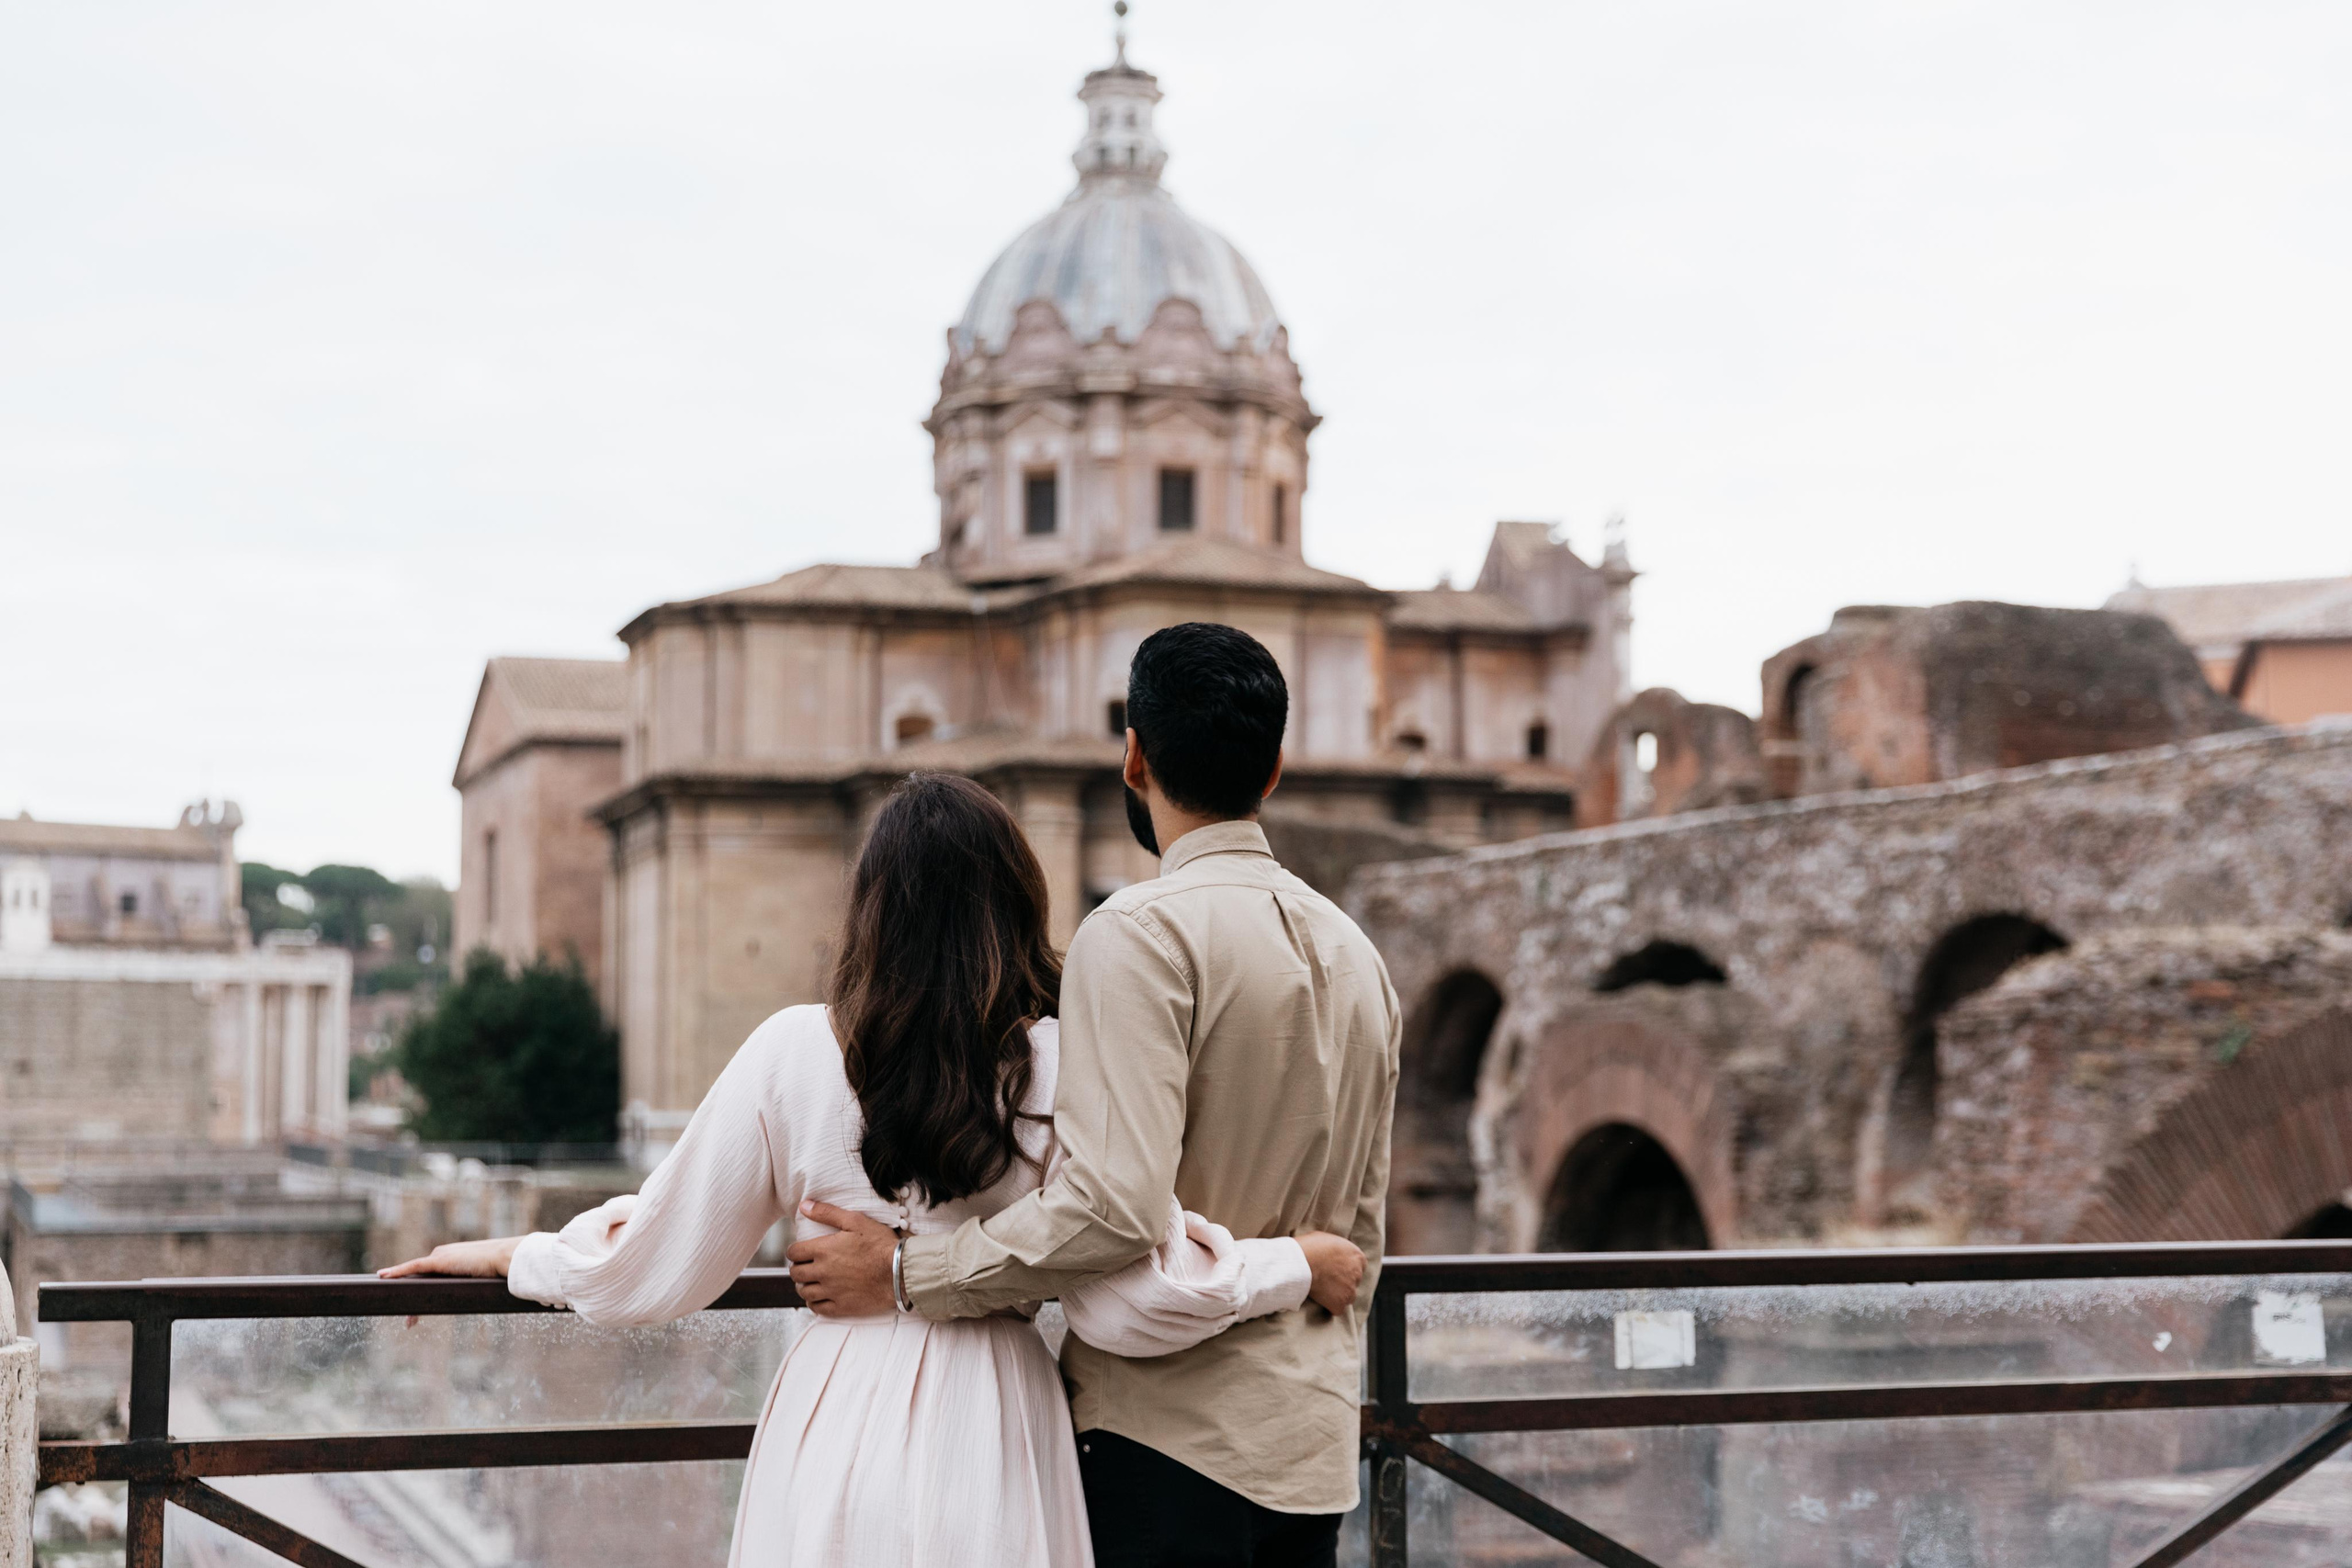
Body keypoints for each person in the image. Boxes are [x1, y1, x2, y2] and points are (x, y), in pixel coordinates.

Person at [379, 772, 1367, 1567]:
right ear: (1018, 902)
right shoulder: (1062, 1061)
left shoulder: (788, 1051)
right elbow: (1133, 1299)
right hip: (999, 1428)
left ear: (869, 907)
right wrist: (1297, 1261)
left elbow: (651, 1261)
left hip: (834, 1408)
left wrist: (513, 1254)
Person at [791, 622, 1403, 1568]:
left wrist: (915, 1275)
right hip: (1311, 1452)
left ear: (1133, 755)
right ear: (1274, 769)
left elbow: (1110, 1209)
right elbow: (1361, 1235)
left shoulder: (1138, 934)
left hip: (1161, 1447)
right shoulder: (1359, 957)